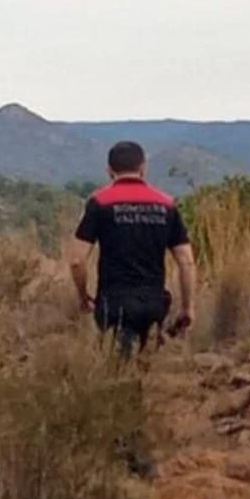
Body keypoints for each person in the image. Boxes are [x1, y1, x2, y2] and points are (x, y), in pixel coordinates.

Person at [67, 139, 198, 358]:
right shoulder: (166, 204)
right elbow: (186, 261)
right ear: (143, 167)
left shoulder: (99, 203)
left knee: (117, 367)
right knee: (145, 363)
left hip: (114, 304)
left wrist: (83, 297)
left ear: (109, 170)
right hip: (154, 303)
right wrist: (188, 307)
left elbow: (77, 261)